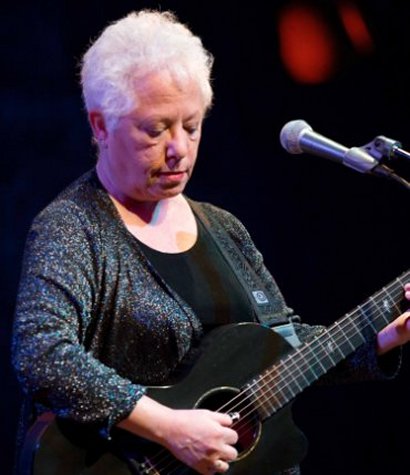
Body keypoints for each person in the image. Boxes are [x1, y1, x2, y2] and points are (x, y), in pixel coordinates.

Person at [12, 9, 410, 475]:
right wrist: (168, 428)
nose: (179, 149)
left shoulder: (224, 229)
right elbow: (41, 354)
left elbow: (283, 346)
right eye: (155, 130)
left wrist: (385, 336)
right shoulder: (73, 227)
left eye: (192, 126)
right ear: (100, 125)